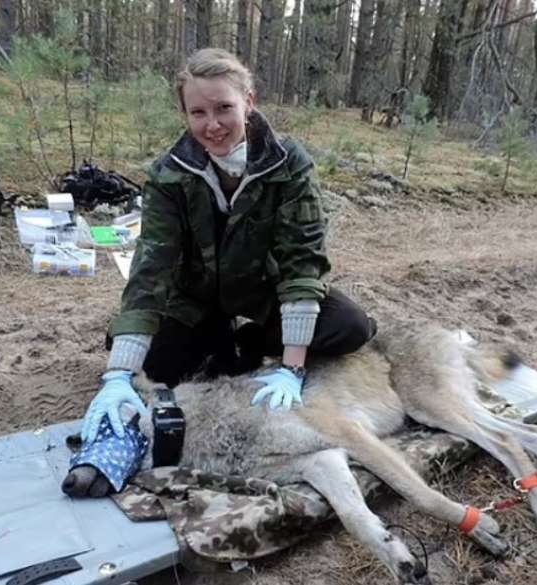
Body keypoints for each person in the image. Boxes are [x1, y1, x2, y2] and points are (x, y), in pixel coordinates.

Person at [80, 48, 376, 443]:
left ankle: (249, 341)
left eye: (224, 108)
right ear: (184, 114)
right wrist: (117, 375)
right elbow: (152, 268)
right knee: (150, 360)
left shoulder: (288, 163)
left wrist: (293, 367)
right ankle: (222, 342)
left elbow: (302, 259)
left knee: (350, 327)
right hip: (195, 299)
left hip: (263, 295)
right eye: (198, 113)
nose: (213, 125)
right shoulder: (168, 174)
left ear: (248, 103)